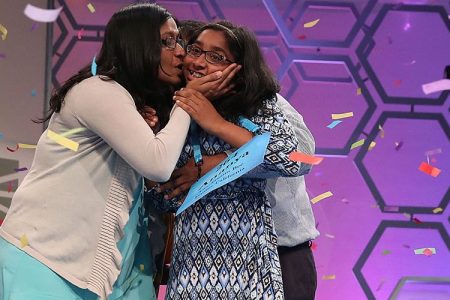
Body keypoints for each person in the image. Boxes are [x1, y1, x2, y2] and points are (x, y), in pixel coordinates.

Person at [0, 3, 227, 300]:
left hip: (90, 267)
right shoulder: (99, 90)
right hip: (44, 258)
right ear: (137, 45)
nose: (181, 51)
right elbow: (157, 163)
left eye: (179, 40)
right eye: (167, 41)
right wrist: (190, 99)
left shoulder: (130, 102)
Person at [152, 20, 319, 300]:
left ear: (239, 68)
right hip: (194, 270)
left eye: (216, 57)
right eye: (193, 50)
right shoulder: (178, 111)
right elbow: (164, 193)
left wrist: (218, 158)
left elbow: (296, 157)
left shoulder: (263, 103)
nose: (198, 63)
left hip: (277, 253)